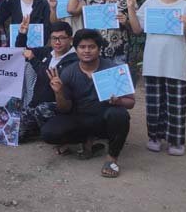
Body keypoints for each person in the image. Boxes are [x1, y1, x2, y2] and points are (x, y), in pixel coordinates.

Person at [127, 0, 186, 156]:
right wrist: (131, 8)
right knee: (154, 103)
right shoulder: (150, 4)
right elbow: (136, 29)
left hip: (176, 62)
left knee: (176, 104)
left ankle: (176, 141)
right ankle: (154, 138)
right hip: (153, 62)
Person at [41, 29, 135, 178]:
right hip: (80, 118)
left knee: (120, 114)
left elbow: (131, 103)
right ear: (76, 49)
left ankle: (112, 158)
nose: (86, 51)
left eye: (91, 47)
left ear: (99, 49)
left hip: (104, 119)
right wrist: (58, 92)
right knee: (49, 133)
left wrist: (119, 101)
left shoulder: (112, 69)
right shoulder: (68, 72)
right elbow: (64, 109)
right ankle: (86, 141)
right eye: (82, 47)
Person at [17, 20, 78, 145]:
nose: (57, 42)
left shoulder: (75, 60)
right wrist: (22, 34)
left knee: (42, 110)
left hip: (59, 108)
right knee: (15, 132)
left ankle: (53, 133)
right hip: (35, 105)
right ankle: (35, 130)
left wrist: (33, 60)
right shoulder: (47, 52)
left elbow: (49, 77)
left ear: (70, 39)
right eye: (54, 38)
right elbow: (22, 50)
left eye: (62, 38)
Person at [66, 0, 133, 64]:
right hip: (91, 52)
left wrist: (126, 22)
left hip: (118, 52)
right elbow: (72, 9)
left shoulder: (127, 1)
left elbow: (136, 29)